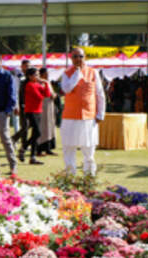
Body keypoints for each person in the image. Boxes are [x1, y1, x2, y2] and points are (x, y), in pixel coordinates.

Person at [59, 47, 107, 175]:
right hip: (70, 116)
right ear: (71, 58)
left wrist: (100, 113)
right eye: (75, 56)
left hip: (88, 116)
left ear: (84, 57)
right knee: (69, 147)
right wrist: (77, 73)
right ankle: (70, 176)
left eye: (80, 56)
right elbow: (67, 89)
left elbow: (100, 94)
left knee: (89, 148)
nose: (78, 59)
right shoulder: (66, 73)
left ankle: (89, 176)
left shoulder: (93, 72)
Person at [21, 68, 55, 164]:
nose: (38, 77)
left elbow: (47, 94)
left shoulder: (37, 84)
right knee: (38, 133)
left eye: (38, 75)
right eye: (36, 75)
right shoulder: (29, 85)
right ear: (30, 76)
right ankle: (24, 148)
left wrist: (46, 83)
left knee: (35, 134)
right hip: (31, 111)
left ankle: (32, 156)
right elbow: (40, 97)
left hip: (38, 110)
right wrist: (43, 90)